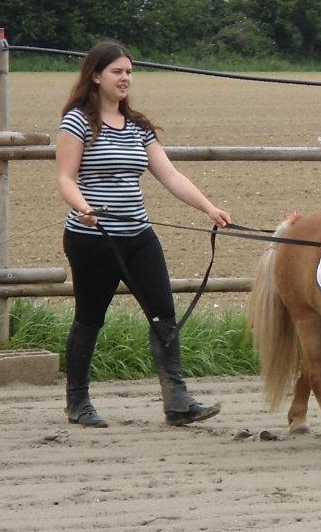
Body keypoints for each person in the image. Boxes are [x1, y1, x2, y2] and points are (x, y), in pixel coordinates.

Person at [55, 40, 233, 427]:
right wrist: (82, 207)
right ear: (96, 76)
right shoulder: (77, 122)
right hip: (93, 239)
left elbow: (169, 175)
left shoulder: (139, 127)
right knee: (90, 317)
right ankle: (77, 402)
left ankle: (178, 401)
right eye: (117, 71)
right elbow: (66, 178)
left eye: (129, 72)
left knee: (163, 314)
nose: (125, 78)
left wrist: (208, 207)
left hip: (139, 236)